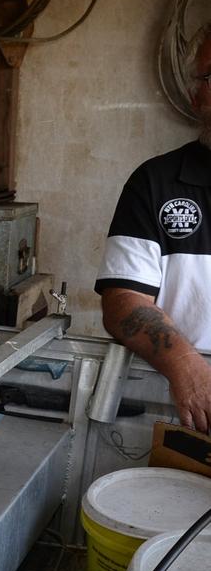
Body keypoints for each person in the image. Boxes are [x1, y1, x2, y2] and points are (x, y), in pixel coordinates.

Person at [96, 25, 211, 433]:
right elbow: (123, 300)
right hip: (185, 411)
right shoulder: (156, 182)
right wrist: (186, 365)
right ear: (197, 95)